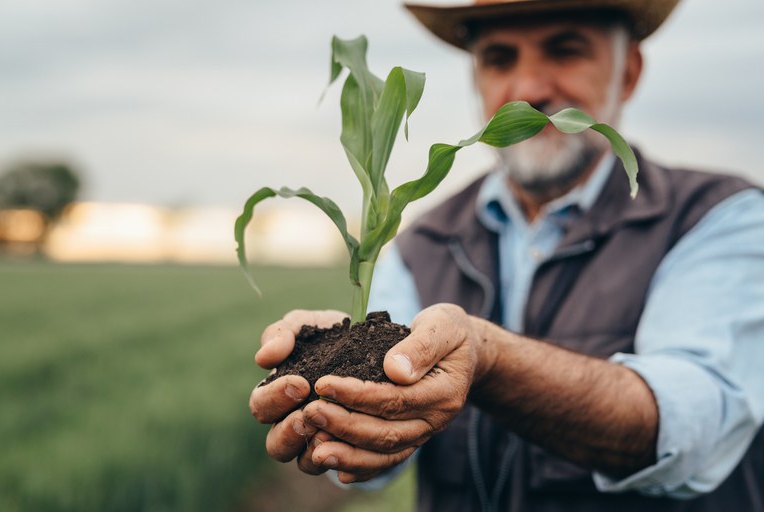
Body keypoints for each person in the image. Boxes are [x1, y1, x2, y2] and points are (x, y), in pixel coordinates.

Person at [249, 0, 764, 510]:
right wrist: (335, 402)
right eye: (499, 59)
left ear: (627, 73)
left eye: (564, 51)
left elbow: (697, 426)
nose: (528, 90)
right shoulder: (421, 244)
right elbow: (379, 459)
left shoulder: (717, 218)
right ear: (476, 77)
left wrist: (488, 357)